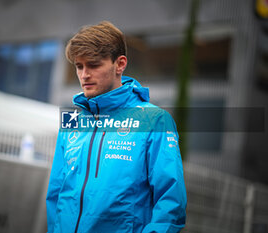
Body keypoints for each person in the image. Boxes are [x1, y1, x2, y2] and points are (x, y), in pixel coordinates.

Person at [46, 21, 187, 233]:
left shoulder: (154, 120)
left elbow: (171, 203)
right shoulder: (72, 119)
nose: (84, 75)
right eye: (79, 66)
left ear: (120, 64)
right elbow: (56, 194)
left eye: (93, 65)